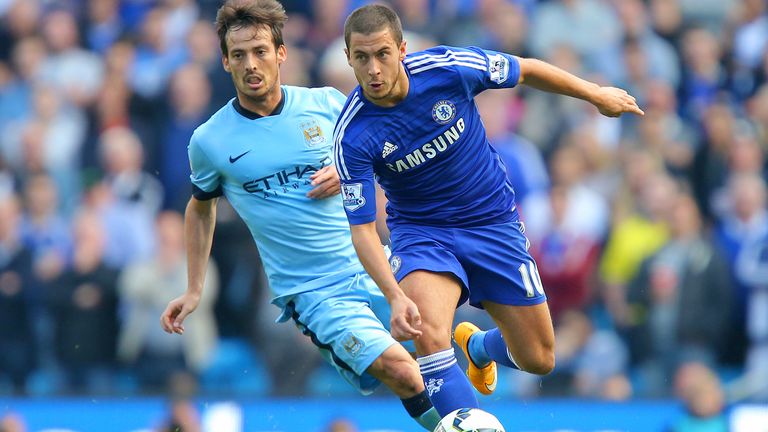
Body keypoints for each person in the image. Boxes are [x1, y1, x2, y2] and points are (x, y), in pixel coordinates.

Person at [335, 4, 644, 415]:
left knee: (539, 358)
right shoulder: (353, 134)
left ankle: (478, 345)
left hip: (492, 222)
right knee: (428, 334)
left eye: (382, 54)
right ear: (348, 58)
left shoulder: (448, 69)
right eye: (361, 57)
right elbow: (363, 231)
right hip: (423, 233)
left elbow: (527, 69)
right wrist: (393, 296)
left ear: (402, 49)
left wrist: (595, 94)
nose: (373, 68)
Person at [159, 1, 440, 430]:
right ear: (225, 61)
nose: (251, 64)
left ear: (281, 54)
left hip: (374, 262)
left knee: (438, 346)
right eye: (239, 55)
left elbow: (386, 154)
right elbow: (200, 208)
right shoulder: (210, 140)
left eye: (260, 51)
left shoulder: (327, 104)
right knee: (403, 371)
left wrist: (349, 171)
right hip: (314, 293)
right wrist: (194, 288)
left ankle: (469, 389)